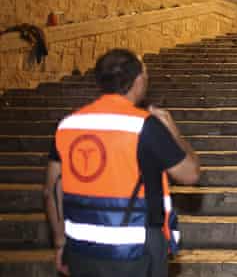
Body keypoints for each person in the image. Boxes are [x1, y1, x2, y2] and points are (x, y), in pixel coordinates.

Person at [43, 49, 200, 277]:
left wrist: (59, 243)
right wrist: (174, 132)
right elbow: (191, 174)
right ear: (138, 81)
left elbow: (51, 189)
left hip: (81, 247)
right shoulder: (144, 125)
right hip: (134, 249)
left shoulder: (68, 125)